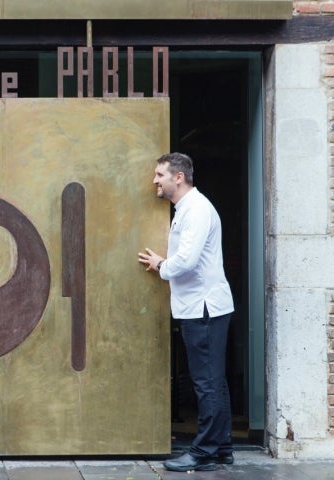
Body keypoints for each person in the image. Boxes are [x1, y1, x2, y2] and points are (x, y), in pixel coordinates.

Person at [137, 152, 234, 472]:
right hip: (202, 306)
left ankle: (203, 451)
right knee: (213, 381)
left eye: (159, 174)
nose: (155, 180)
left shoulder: (196, 210)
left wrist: (161, 265)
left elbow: (187, 260)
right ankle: (221, 447)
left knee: (206, 382)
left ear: (178, 177)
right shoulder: (190, 208)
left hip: (202, 307)